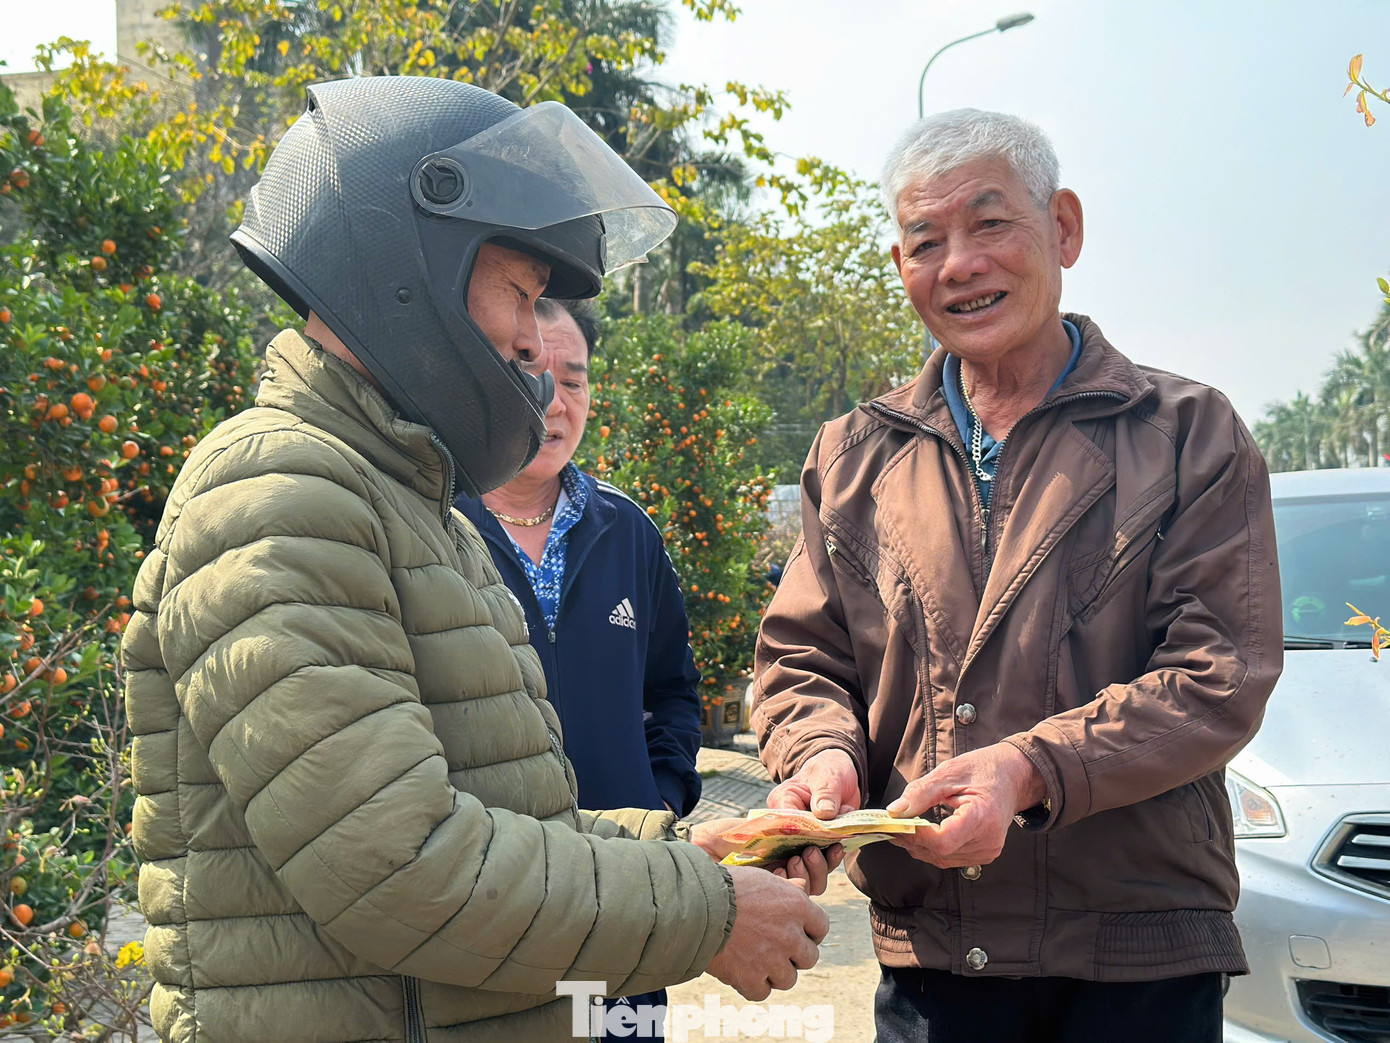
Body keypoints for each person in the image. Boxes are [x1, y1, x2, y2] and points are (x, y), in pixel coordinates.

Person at [122, 76, 832, 1042]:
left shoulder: (417, 505)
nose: (537, 344)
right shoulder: (278, 494)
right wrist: (701, 910)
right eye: (523, 295)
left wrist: (700, 851)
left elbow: (510, 813)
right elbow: (401, 866)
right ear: (408, 264)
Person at [751, 108, 1283, 1043]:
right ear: (901, 267)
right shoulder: (852, 455)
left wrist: (1029, 769)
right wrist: (822, 761)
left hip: (1138, 956)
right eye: (927, 241)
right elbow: (803, 657)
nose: (960, 263)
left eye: (991, 223)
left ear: (1063, 228)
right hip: (937, 957)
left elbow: (1218, 674)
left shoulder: (1188, 433)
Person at [456, 297, 703, 1034]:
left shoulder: (628, 532)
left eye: (577, 378)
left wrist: (660, 797)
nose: (555, 402)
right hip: (487, 911)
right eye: (529, 370)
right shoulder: (429, 528)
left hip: (625, 906)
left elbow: (674, 690)